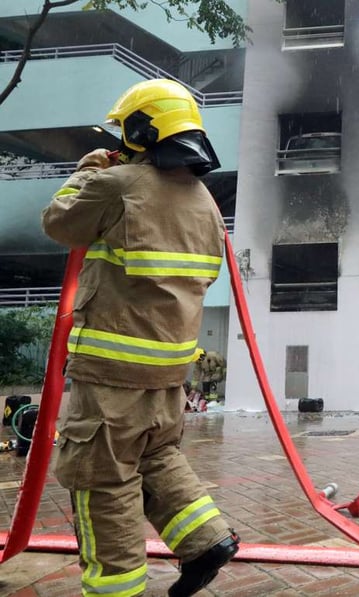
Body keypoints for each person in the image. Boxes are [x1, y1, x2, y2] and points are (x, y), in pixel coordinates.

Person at [41, 79, 238, 597]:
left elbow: (59, 223)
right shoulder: (205, 204)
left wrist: (88, 169)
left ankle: (116, 589)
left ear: (143, 130)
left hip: (109, 373)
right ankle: (205, 541)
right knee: (156, 457)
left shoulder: (118, 184)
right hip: (169, 373)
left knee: (101, 481)